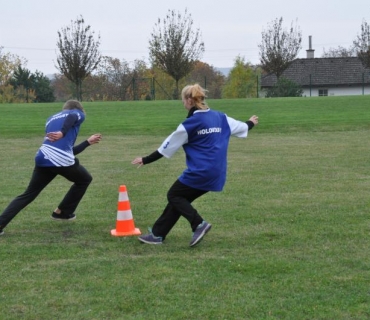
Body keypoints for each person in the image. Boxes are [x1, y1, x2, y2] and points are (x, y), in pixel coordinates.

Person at [132, 84, 258, 247]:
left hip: (200, 172)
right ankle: (157, 234)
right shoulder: (221, 117)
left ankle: (198, 224)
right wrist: (251, 122)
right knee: (179, 199)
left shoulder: (189, 124)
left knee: (174, 195)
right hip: (217, 173)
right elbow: (242, 127)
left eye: (183, 100)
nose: (183, 103)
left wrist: (145, 159)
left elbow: (166, 147)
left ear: (189, 101)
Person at [0, 100, 102, 236]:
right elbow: (72, 117)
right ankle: (62, 212)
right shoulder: (77, 113)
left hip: (42, 157)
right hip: (58, 158)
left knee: (28, 195)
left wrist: (87, 142)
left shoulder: (50, 119)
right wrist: (63, 132)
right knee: (84, 179)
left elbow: (67, 151)